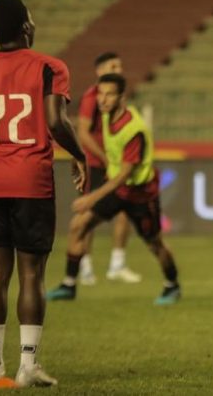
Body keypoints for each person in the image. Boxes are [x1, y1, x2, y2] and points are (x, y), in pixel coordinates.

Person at [0, 0, 86, 389]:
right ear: (26, 26)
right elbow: (56, 123)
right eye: (32, 17)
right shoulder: (49, 67)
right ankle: (28, 365)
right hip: (31, 181)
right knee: (31, 274)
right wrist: (80, 155)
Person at [47, 73, 181, 305]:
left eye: (109, 95)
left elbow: (125, 174)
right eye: (101, 93)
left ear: (122, 97)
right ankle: (69, 285)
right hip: (118, 191)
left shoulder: (133, 129)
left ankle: (172, 285)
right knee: (78, 225)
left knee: (154, 243)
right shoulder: (107, 116)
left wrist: (91, 198)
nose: (102, 99)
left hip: (140, 195)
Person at [64, 52, 141, 287]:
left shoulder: (117, 96)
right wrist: (105, 158)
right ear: (99, 71)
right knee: (87, 217)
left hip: (113, 164)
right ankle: (85, 267)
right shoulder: (92, 97)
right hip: (97, 165)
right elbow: (84, 133)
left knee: (125, 212)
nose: (119, 70)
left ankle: (117, 264)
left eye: (119, 66)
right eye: (113, 66)